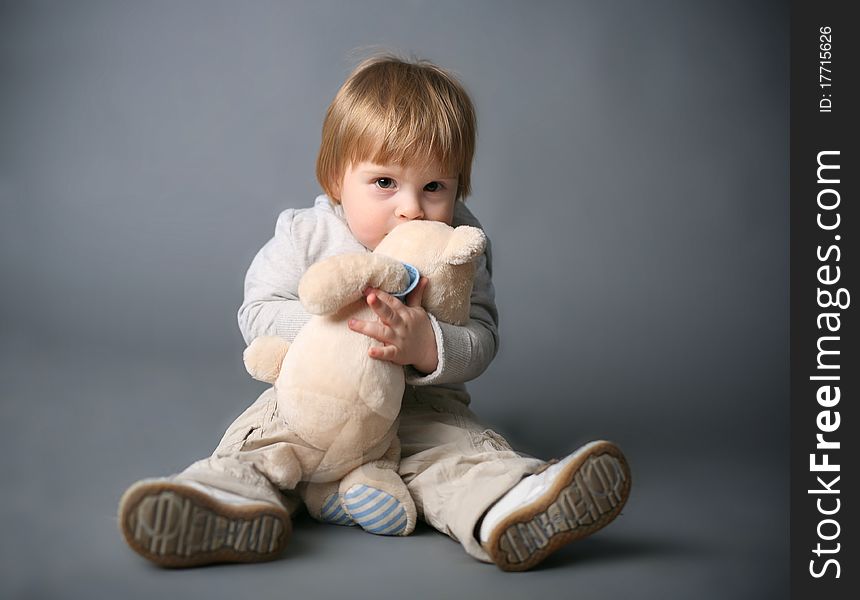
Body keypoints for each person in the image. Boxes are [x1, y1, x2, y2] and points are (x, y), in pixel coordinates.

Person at [118, 53, 631, 572]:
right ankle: (223, 500)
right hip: (312, 403)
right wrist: (334, 332)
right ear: (336, 178)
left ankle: (508, 503)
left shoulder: (460, 245)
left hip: (419, 407)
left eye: (434, 187)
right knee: (263, 440)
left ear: (458, 185)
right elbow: (258, 310)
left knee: (457, 451)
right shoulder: (306, 233)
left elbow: (482, 335)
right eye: (385, 182)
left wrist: (428, 344)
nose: (410, 207)